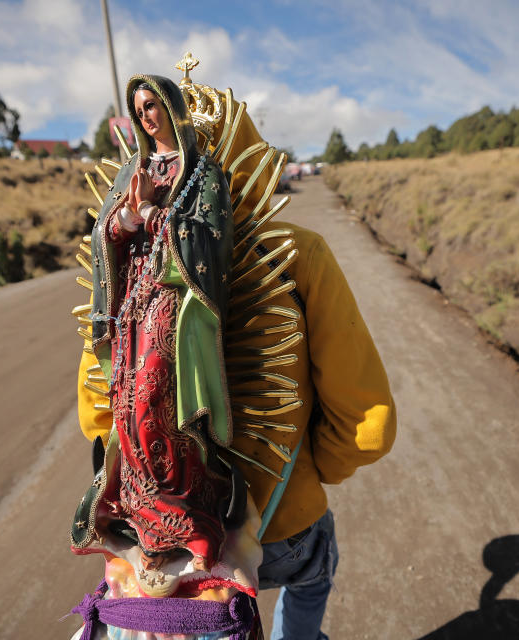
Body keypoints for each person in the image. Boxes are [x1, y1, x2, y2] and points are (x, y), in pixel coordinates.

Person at [71, 68, 396, 640]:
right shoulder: (296, 253)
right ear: (247, 151)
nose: (150, 121)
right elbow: (366, 427)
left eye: (158, 112)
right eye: (142, 113)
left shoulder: (135, 271)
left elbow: (99, 410)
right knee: (312, 574)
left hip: (160, 538)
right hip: (285, 522)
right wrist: (309, 477)